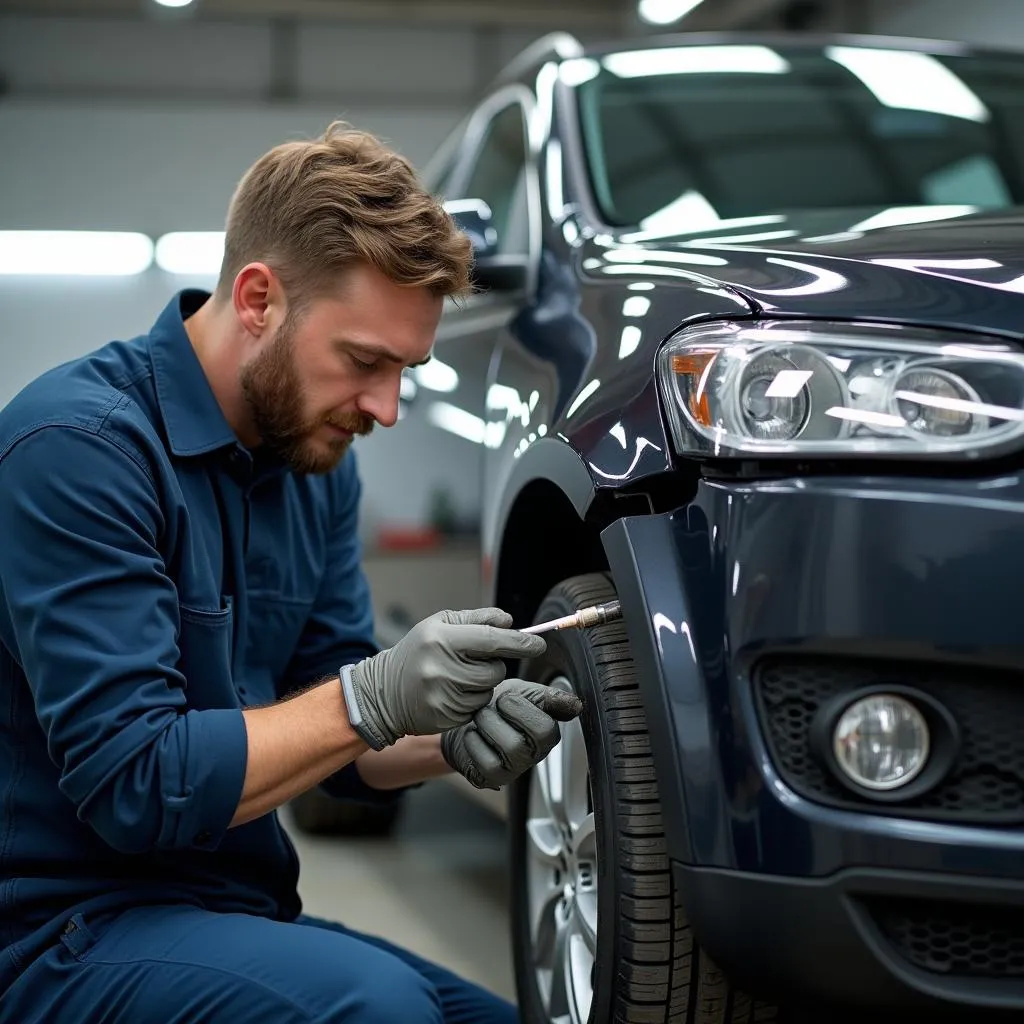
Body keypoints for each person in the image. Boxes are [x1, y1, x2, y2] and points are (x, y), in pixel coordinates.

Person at [0, 122, 583, 1023]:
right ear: (260, 299)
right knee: (382, 1012)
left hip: (229, 912)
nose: (386, 409)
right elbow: (136, 784)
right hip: (61, 933)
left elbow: (341, 751)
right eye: (364, 362)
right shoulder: (76, 451)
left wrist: (448, 737)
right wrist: (371, 697)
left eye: (407, 372)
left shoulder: (313, 471)